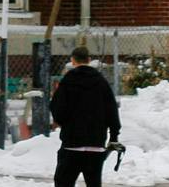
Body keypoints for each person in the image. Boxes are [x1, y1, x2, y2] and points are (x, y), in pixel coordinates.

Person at [49, 45, 121, 187]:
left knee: (63, 182)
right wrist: (113, 137)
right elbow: (112, 111)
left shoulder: (68, 81)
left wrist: (65, 124)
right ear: (89, 60)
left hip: (72, 144)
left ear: (73, 61)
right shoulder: (101, 82)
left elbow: (57, 109)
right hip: (96, 145)